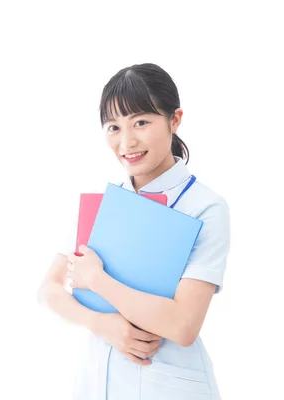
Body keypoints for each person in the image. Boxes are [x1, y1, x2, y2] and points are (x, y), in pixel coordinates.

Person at [36, 63, 231, 400]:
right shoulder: (103, 203)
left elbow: (182, 325)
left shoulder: (205, 207)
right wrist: (102, 324)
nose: (127, 142)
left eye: (141, 122)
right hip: (96, 381)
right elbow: (49, 290)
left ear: (175, 119)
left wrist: (96, 279)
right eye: (114, 127)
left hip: (168, 384)